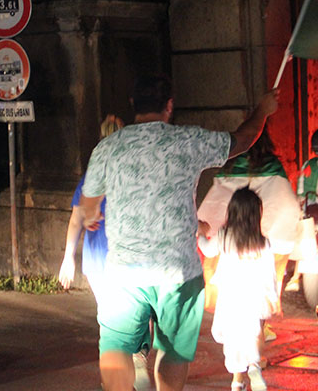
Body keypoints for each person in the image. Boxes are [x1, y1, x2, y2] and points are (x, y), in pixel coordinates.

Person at [80, 74, 278, 391]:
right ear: (169, 106)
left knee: (116, 348)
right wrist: (263, 111)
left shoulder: (107, 148)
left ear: (133, 104)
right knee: (171, 351)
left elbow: (89, 207)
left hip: (124, 273)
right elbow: (242, 140)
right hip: (177, 272)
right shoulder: (189, 140)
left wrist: (93, 216)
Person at [57, 115, 152, 390]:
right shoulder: (136, 175)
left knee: (110, 322)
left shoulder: (92, 177)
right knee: (136, 314)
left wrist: (68, 258)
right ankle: (137, 356)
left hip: (98, 261)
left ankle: (113, 378)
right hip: (131, 259)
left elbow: (76, 220)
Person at [198, 130, 299, 321]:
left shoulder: (229, 165)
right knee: (278, 258)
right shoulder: (273, 165)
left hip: (229, 281)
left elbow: (216, 202)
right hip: (263, 239)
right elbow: (284, 202)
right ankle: (272, 306)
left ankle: (211, 300)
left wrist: (202, 231)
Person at [198, 187, 278, 391]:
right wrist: (273, 298)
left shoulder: (225, 236)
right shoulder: (262, 242)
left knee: (234, 339)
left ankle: (236, 382)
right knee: (254, 334)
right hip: (255, 296)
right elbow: (270, 272)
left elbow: (207, 250)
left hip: (231, 296)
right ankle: (254, 366)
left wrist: (200, 235)